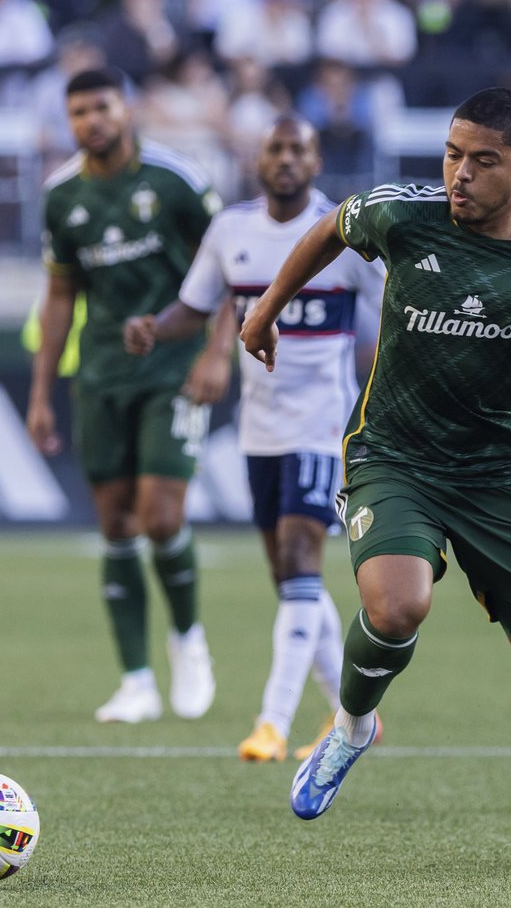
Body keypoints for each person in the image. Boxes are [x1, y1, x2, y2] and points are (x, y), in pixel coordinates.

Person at [239, 87, 511, 869]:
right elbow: (329, 228)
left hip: (498, 474)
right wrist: (266, 309)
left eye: (483, 161)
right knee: (398, 606)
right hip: (393, 456)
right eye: (452, 154)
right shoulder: (404, 214)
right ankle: (352, 726)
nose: (460, 174)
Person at [124, 115, 387, 763]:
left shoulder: (345, 235)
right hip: (259, 428)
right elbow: (195, 306)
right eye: (276, 149)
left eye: (299, 148)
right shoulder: (231, 230)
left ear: (316, 160)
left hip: (323, 425)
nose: (286, 158)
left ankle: (271, 722)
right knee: (291, 577)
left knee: (299, 559)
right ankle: (355, 716)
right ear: (258, 160)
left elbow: (392, 317)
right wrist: (155, 326)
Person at [27, 67, 233, 724]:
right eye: (79, 112)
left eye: (102, 107)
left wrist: (217, 352)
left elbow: (231, 267)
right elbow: (61, 295)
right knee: (115, 525)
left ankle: (189, 640)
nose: (91, 121)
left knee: (161, 517)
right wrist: (41, 392)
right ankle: (136, 681)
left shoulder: (175, 179)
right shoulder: (61, 196)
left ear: (126, 109)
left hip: (173, 367)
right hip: (100, 374)